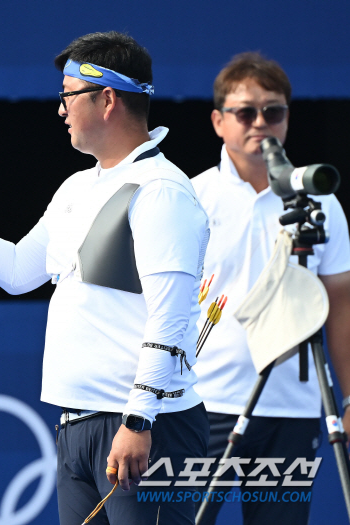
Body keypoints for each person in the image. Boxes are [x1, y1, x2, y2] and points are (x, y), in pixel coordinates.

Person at [0, 32, 210, 524]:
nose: (59, 109)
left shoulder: (162, 191)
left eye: (67, 95)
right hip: (77, 426)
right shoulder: (77, 186)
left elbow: (172, 318)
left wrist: (138, 419)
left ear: (107, 100)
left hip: (144, 429)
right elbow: (17, 272)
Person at [191, 52, 350, 524]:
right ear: (219, 121)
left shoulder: (321, 200)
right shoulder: (190, 196)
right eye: (245, 112)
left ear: (287, 118)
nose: (260, 122)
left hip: (292, 409)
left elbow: (340, 304)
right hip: (201, 405)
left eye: (274, 111)